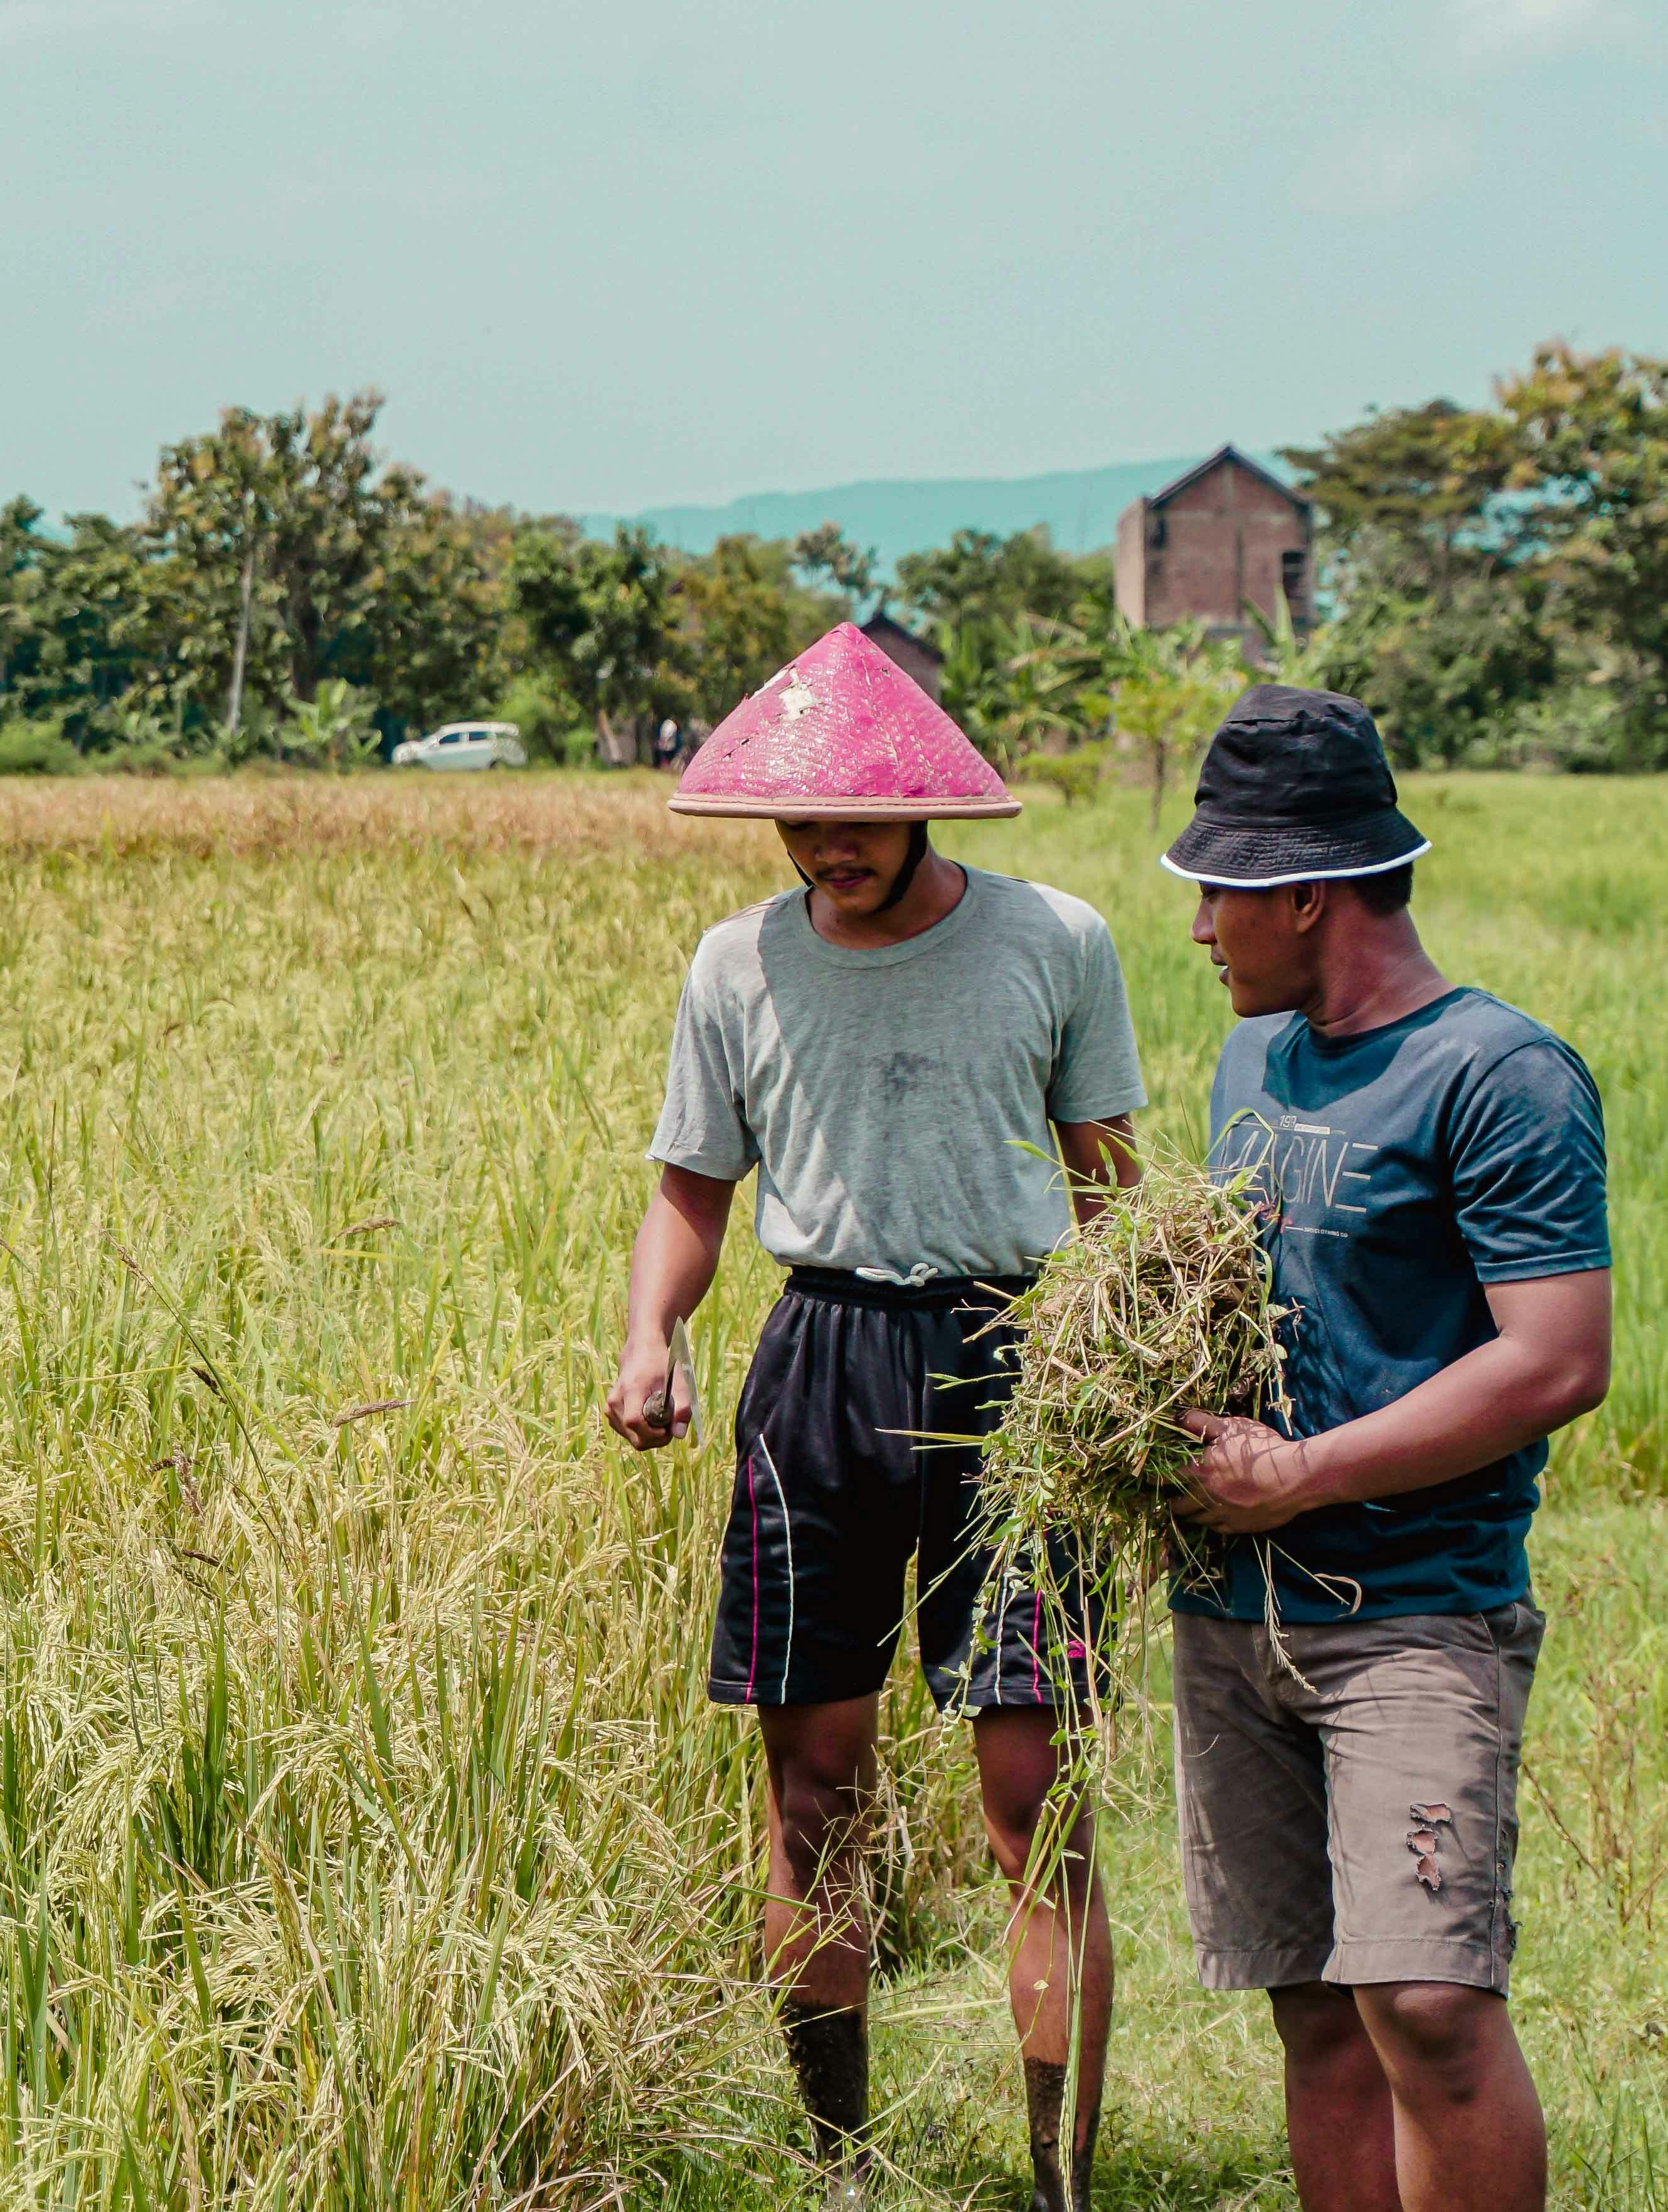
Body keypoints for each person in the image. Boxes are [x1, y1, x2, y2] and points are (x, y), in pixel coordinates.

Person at [606, 621, 1144, 2212]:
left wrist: (1133, 1369)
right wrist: (650, 1336)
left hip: (1017, 1367)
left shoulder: (1055, 939)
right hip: (820, 1366)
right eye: (802, 818)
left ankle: (1057, 2184)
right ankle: (839, 2164)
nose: (829, 844)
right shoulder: (737, 963)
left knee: (1037, 1799)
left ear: (924, 806)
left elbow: (1110, 1183)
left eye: (857, 816)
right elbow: (692, 1190)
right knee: (814, 1788)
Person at [1158, 685, 1613, 2212]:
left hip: (1413, 1611)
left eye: (1219, 892)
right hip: (1235, 1610)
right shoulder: (1254, 1065)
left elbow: (1557, 1358)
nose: (1202, 927)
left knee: (1426, 2002)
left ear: (1304, 891)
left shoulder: (1499, 1073)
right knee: (1314, 2003)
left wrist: (1305, 1471)